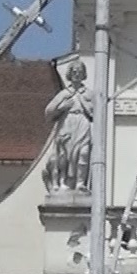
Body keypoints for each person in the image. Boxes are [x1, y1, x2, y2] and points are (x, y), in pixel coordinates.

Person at [44, 59, 94, 195]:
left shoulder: (88, 93)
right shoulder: (64, 93)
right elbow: (48, 111)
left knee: (83, 153)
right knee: (64, 156)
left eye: (80, 72)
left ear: (84, 74)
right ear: (70, 74)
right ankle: (64, 182)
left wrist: (84, 102)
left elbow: (96, 112)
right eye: (74, 72)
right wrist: (62, 107)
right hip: (67, 123)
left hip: (82, 123)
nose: (77, 74)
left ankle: (80, 183)